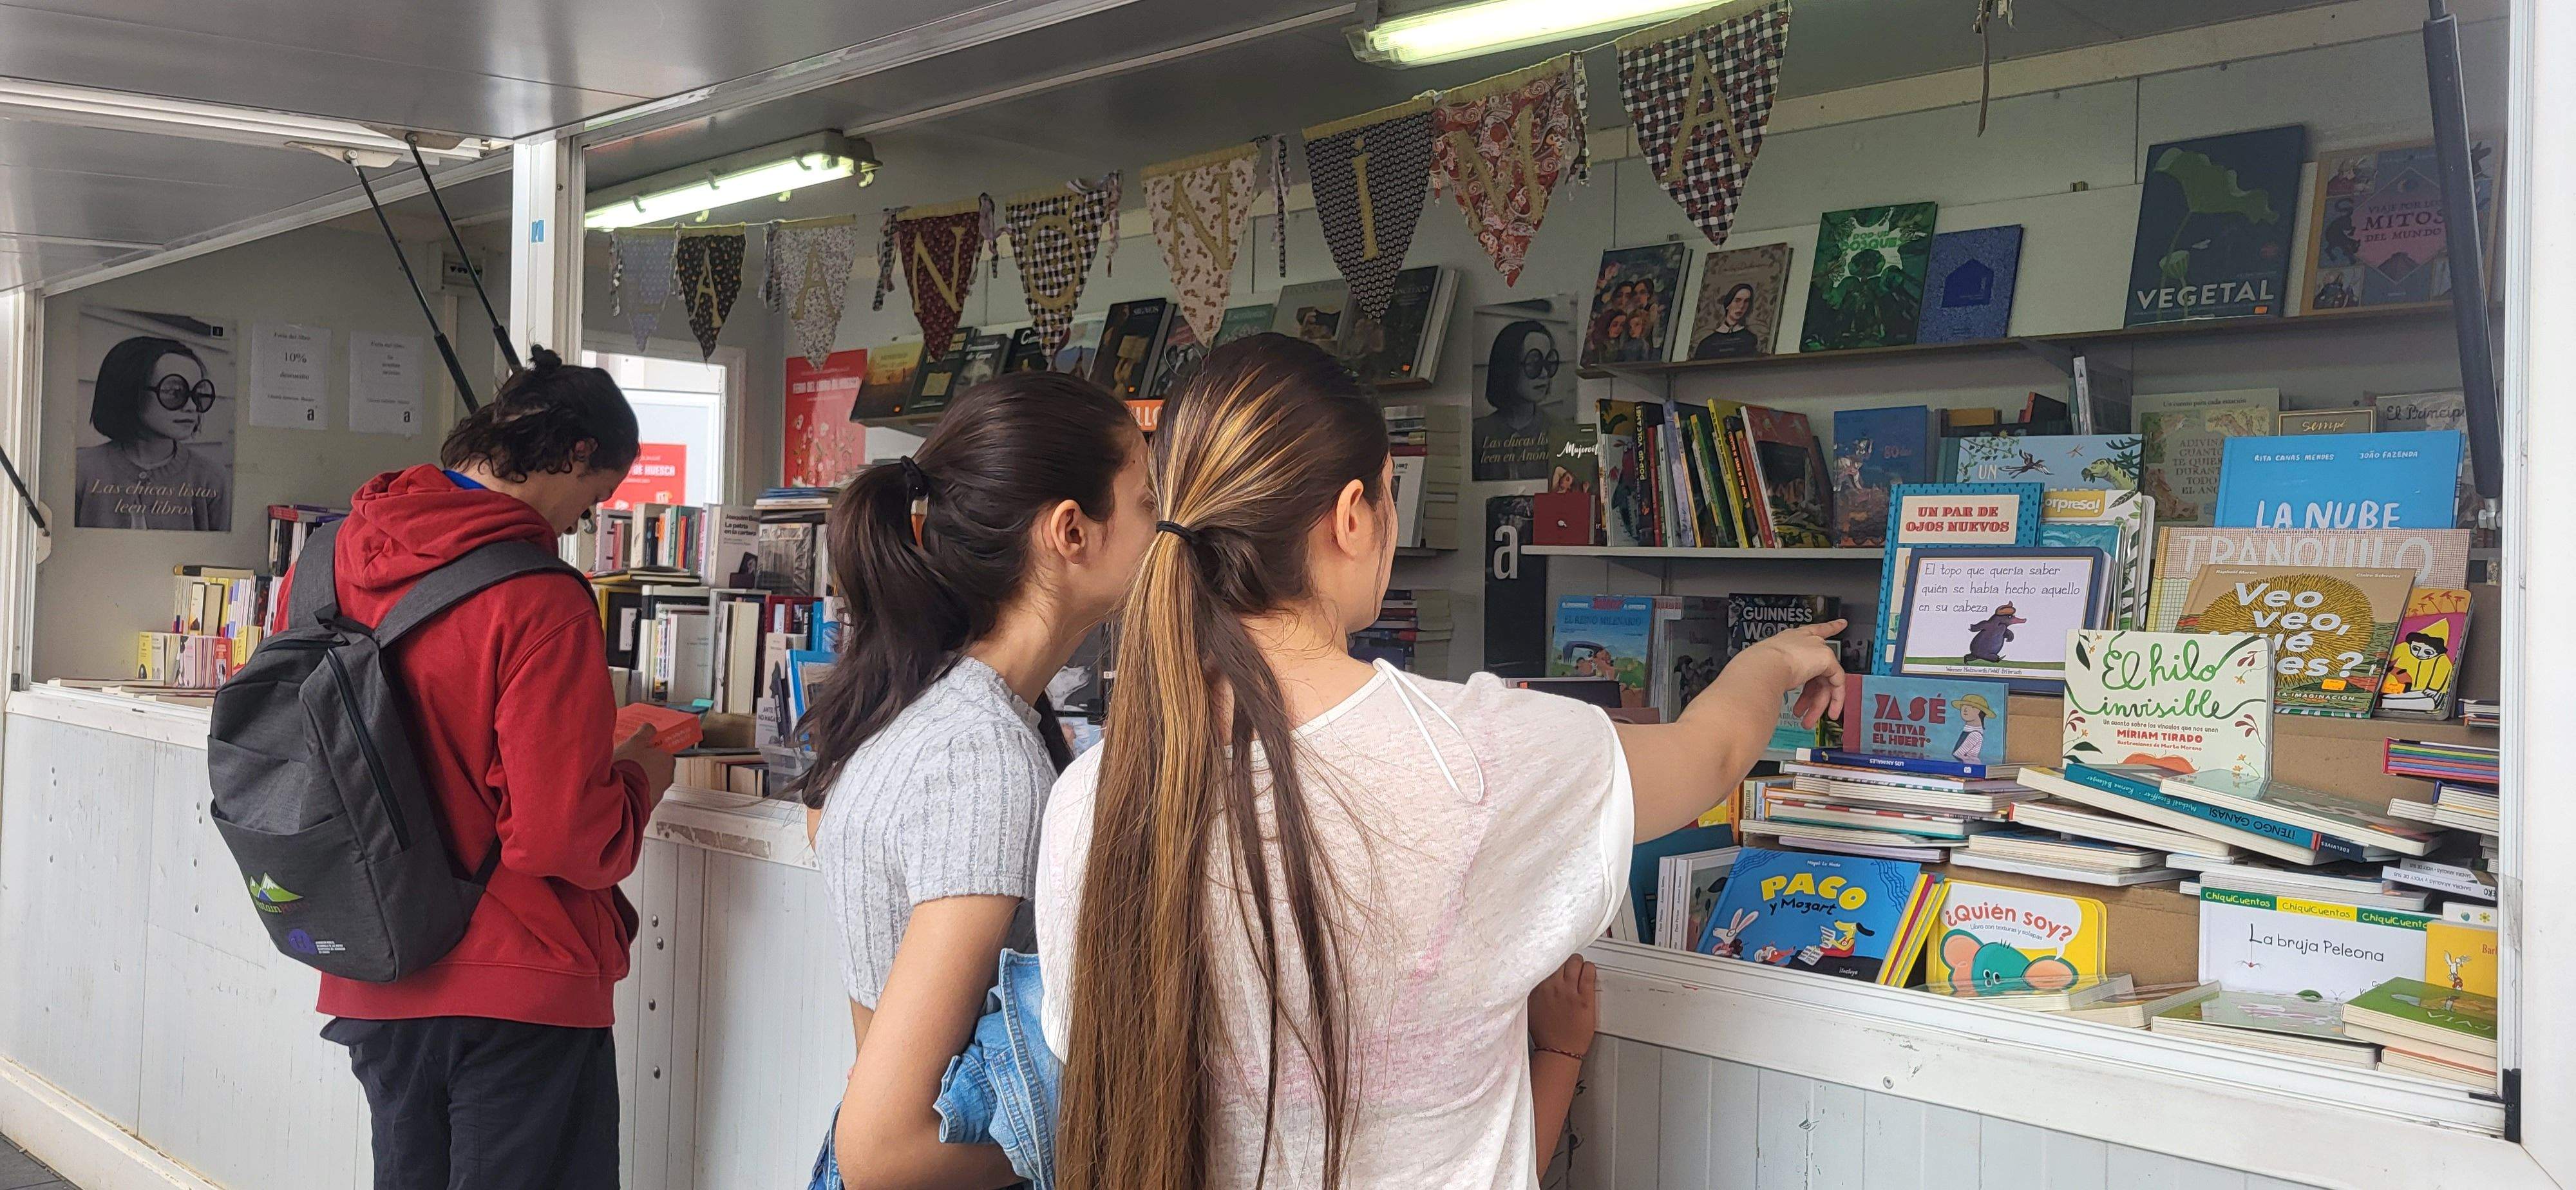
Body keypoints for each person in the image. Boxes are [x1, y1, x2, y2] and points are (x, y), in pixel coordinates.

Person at [1036, 334, 1845, 1190]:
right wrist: (1773, 661)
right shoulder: (1475, 757)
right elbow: (1711, 754)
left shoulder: (1093, 796)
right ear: (1352, 515)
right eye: (1390, 492)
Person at [282, 347, 674, 1190]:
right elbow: (557, 835)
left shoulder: (324, 562)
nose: (582, 522)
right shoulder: (541, 596)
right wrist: (640, 778)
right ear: (575, 454)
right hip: (520, 974)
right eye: (594, 497)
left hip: (374, 959)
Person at [791, 371, 1156, 1190]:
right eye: (1145, 503)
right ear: (1071, 531)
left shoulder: (928, 704)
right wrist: (1113, 1134)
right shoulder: (980, 756)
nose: (1161, 529)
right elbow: (886, 1150)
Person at [73, 334, 232, 529]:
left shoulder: (211, 478)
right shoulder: (81, 471)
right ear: (130, 391)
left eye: (198, 394)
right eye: (174, 392)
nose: (192, 407)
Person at [1472, 320, 1568, 481]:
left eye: (1548, 363)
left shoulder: (1558, 431)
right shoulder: (1480, 433)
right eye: (1534, 364)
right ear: (1508, 367)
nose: (1544, 374)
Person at [1692, 283, 1764, 359]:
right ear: (1728, 304)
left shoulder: (1750, 339)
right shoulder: (1707, 344)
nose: (1741, 306)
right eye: (1737, 300)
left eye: (1746, 301)